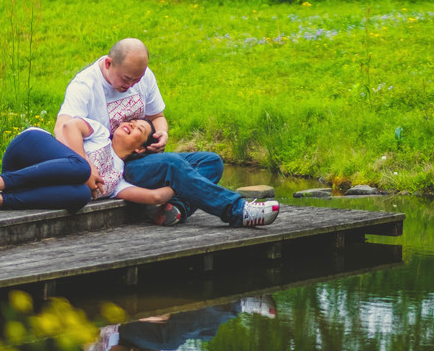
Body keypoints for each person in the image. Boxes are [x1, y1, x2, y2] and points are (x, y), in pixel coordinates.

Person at [55, 38, 278, 227]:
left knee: (211, 162)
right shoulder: (85, 85)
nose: (131, 84)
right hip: (116, 166)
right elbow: (61, 128)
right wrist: (85, 167)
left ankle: (175, 210)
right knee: (172, 165)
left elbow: (157, 117)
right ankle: (238, 211)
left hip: (145, 157)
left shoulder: (144, 76)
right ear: (108, 63)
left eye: (137, 79)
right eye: (126, 79)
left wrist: (162, 133)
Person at [0, 117, 174, 213]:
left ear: (139, 149)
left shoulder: (118, 179)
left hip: (27, 184)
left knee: (81, 196)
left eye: (139, 129)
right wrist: (88, 164)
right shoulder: (100, 132)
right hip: (28, 149)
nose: (131, 124)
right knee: (81, 168)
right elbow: (69, 125)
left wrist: (186, 178)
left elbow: (156, 197)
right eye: (131, 121)